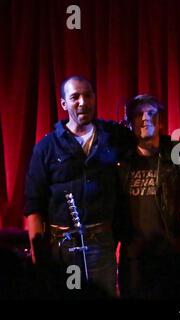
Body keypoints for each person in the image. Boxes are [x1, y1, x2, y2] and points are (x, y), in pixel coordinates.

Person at [24, 75, 133, 296]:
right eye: (75, 97)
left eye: (88, 95)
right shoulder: (46, 147)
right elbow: (33, 205)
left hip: (101, 245)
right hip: (62, 249)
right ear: (64, 104)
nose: (83, 102)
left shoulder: (112, 137)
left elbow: (144, 141)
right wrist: (38, 257)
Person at [117, 94, 180, 298]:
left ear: (160, 121)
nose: (145, 118)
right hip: (133, 257)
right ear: (130, 122)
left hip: (169, 253)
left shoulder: (177, 154)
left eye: (151, 113)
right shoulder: (120, 159)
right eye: (139, 114)